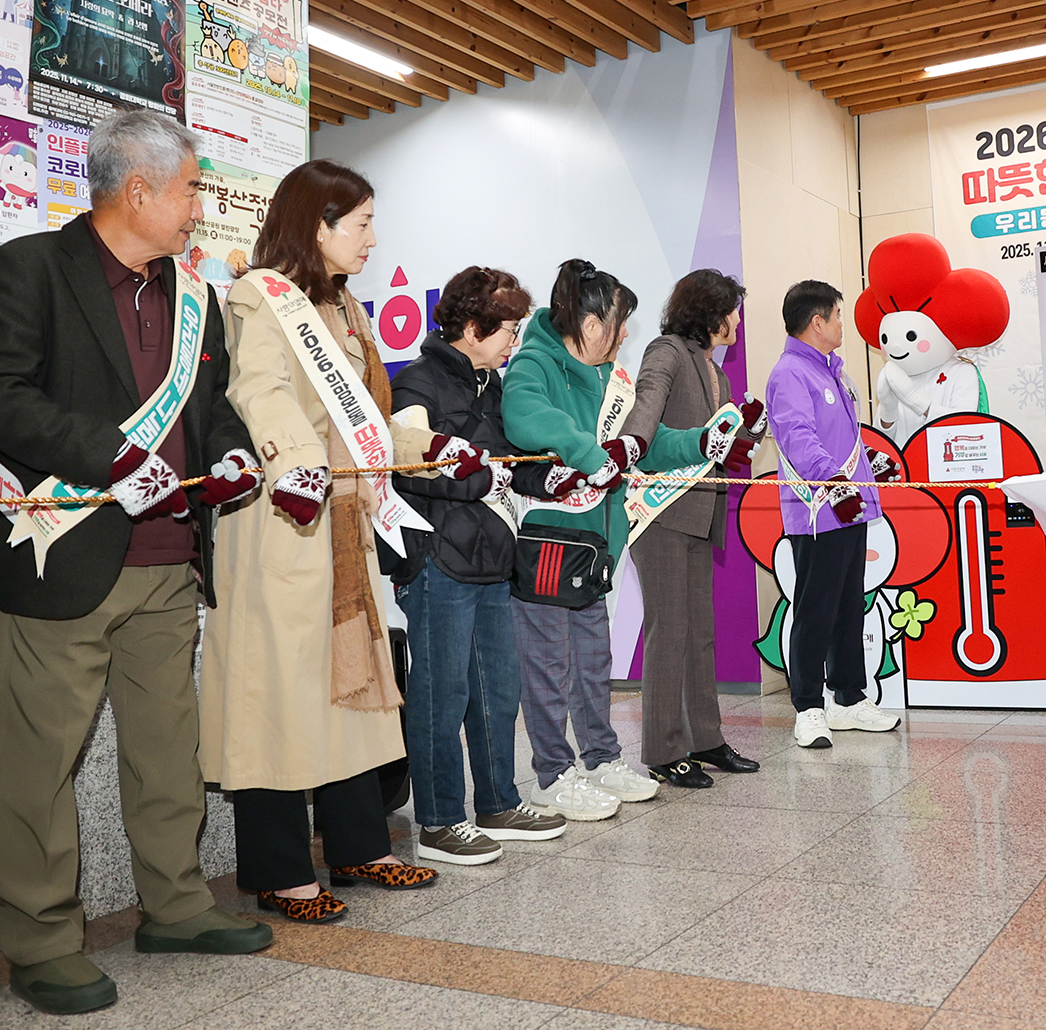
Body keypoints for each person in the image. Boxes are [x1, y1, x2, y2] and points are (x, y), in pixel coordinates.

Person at [0, 108, 271, 1016]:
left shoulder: (196, 297)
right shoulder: (27, 269)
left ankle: (174, 905)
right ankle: (42, 938)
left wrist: (238, 455)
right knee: (36, 764)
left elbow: (209, 412)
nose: (197, 208)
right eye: (189, 190)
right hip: (62, 556)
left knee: (168, 752)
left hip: (170, 563)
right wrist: (111, 454)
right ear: (137, 189)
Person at [201, 160, 445, 921]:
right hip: (285, 522)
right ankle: (275, 869)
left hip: (344, 525)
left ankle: (358, 846)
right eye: (362, 222)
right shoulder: (258, 295)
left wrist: (429, 444)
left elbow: (365, 419)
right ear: (318, 224)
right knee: (277, 696)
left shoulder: (346, 307)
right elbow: (261, 391)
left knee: (351, 694)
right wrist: (299, 467)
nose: (374, 237)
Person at [502, 260, 733, 815]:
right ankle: (553, 774)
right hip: (549, 539)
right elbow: (525, 417)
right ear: (586, 322)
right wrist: (592, 455)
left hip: (600, 538)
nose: (625, 332)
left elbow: (643, 444)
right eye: (617, 320)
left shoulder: (611, 378)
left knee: (592, 659)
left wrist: (702, 441)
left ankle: (602, 759)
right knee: (550, 666)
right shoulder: (535, 362)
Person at [389, 267, 570, 866]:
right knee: (442, 692)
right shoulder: (417, 384)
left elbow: (516, 463)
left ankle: (497, 802)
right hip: (439, 560)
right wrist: (473, 479)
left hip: (494, 559)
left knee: (498, 689)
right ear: (471, 326)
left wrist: (557, 477)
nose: (514, 342)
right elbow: (410, 466)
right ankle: (439, 821)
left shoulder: (495, 386)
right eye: (507, 330)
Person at [621, 269, 766, 786]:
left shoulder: (717, 373)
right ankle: (663, 750)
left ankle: (706, 740)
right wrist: (631, 444)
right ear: (709, 311)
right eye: (733, 309)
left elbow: (715, 447)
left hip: (700, 512)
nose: (738, 320)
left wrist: (748, 432)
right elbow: (647, 406)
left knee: (699, 635)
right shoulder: (667, 352)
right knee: (669, 632)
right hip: (661, 514)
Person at [764, 280, 903, 749]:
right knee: (814, 610)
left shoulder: (831, 372)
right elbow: (798, 437)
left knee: (849, 607)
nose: (844, 323)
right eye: (838, 314)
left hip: (852, 509)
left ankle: (849, 699)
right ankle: (808, 708)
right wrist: (834, 478)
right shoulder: (790, 374)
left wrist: (868, 468)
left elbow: (840, 438)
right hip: (819, 511)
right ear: (817, 321)